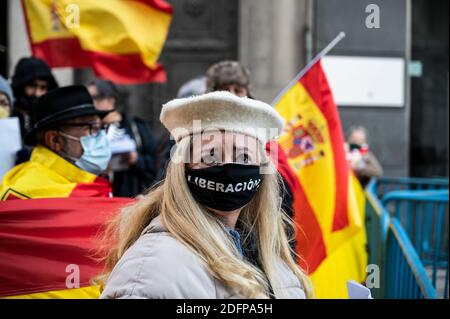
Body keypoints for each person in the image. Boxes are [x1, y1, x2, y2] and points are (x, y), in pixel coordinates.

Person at [98, 91, 313, 299]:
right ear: (183, 169)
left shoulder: (269, 255)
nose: (228, 166)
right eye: (210, 156)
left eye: (244, 156)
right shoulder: (151, 267)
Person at [205, 61, 298, 251]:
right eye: (225, 89)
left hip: (260, 234)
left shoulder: (265, 134)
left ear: (247, 92)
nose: (232, 96)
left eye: (237, 89)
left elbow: (284, 187)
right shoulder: (194, 133)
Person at [0, 85, 112, 200]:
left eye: (100, 127)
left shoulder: (90, 183)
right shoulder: (22, 193)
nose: (100, 137)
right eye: (91, 128)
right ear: (55, 140)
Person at [87, 79, 167, 197]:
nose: (90, 103)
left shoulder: (137, 127)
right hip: (99, 198)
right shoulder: (86, 129)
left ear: (110, 100)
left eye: (94, 98)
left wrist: (136, 160)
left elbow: (157, 166)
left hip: (131, 197)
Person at [10, 57, 59, 164]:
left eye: (43, 87)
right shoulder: (8, 114)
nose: (37, 93)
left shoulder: (52, 118)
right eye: (32, 86)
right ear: (21, 86)